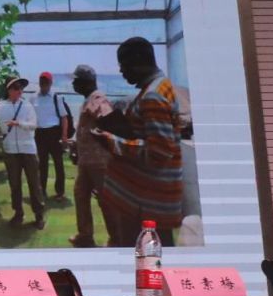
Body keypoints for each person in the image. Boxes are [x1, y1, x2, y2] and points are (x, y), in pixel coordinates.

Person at [94, 36, 186, 247]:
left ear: (138, 60)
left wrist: (110, 141)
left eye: (123, 64)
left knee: (146, 256)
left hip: (147, 205)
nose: (121, 71)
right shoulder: (161, 86)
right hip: (150, 200)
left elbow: (158, 153)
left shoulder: (152, 96)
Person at [0, 76, 43, 228]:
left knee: (34, 183)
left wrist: (19, 124)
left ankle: (39, 215)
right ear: (9, 90)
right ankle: (18, 213)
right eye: (16, 88)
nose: (20, 91)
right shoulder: (2, 106)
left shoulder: (27, 106)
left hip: (28, 150)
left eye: (21, 88)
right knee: (15, 184)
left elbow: (34, 125)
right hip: (11, 150)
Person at [68, 63, 116, 247]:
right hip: (86, 161)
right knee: (80, 195)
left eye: (76, 82)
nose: (73, 85)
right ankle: (85, 236)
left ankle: (116, 238)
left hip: (99, 162)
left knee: (106, 201)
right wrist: (75, 145)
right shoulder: (88, 99)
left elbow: (109, 122)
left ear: (86, 82)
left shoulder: (97, 100)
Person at [33, 69, 73, 202]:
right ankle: (42, 190)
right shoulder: (33, 98)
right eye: (41, 82)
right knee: (42, 164)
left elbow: (64, 118)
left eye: (46, 82)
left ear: (50, 83)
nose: (43, 85)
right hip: (40, 133)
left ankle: (60, 192)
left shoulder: (57, 97)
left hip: (54, 133)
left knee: (58, 163)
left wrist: (64, 136)